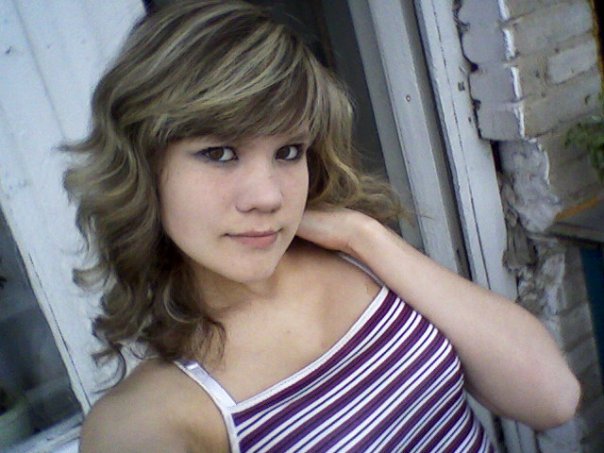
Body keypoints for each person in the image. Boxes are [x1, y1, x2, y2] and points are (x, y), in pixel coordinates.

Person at [64, 1, 580, 451]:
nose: (268, 196)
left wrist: (364, 236)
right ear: (142, 167)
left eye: (288, 151)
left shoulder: (356, 262)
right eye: (219, 153)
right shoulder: (154, 414)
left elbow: (552, 398)